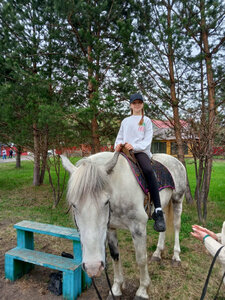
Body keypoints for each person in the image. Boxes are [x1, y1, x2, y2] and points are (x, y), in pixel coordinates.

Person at [114, 93, 166, 232]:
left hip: (140, 152)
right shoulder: (125, 121)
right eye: (134, 103)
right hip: (124, 151)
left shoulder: (146, 121)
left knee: (148, 170)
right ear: (130, 105)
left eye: (139, 103)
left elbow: (146, 141)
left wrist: (134, 147)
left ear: (142, 104)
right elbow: (119, 137)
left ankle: (158, 210)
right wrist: (118, 145)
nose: (137, 105)